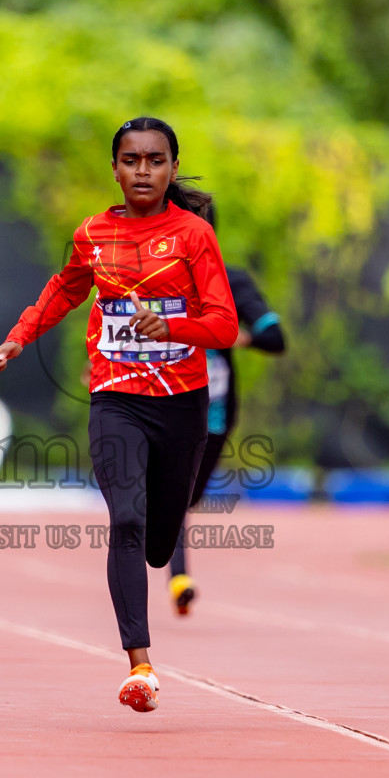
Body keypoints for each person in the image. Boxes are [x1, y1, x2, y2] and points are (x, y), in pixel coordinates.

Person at [0, 117, 237, 712]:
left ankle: (157, 556)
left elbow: (223, 323)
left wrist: (171, 325)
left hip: (182, 404)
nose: (142, 171)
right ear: (116, 167)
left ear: (173, 168)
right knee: (125, 517)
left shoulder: (195, 235)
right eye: (131, 160)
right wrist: (19, 338)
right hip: (116, 399)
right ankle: (141, 667)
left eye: (155, 160)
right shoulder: (95, 233)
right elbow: (64, 288)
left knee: (156, 543)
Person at [166, 221, 286, 614]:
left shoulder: (230, 281)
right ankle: (178, 578)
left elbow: (275, 336)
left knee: (184, 499)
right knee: (172, 495)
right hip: (157, 403)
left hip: (212, 411)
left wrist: (241, 336)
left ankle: (175, 572)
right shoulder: (148, 276)